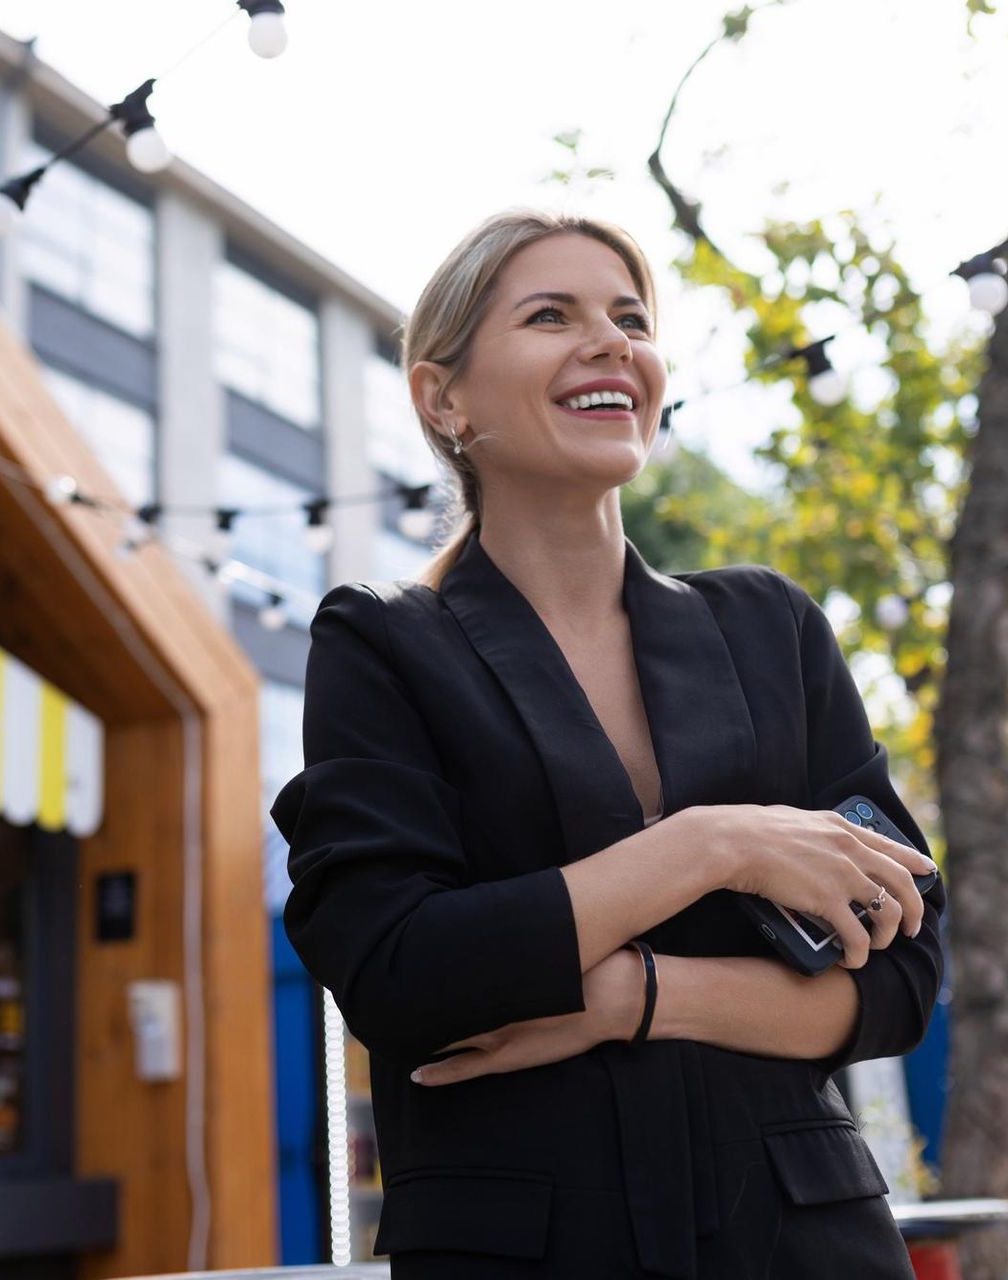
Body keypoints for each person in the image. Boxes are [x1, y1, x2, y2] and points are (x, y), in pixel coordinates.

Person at [270, 209, 949, 1278]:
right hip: (531, 1251)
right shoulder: (384, 642)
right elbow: (400, 971)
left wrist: (629, 998)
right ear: (442, 398)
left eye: (630, 317)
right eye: (552, 315)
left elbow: (904, 968)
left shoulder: (772, 628)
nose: (610, 341)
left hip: (807, 1244)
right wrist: (713, 845)